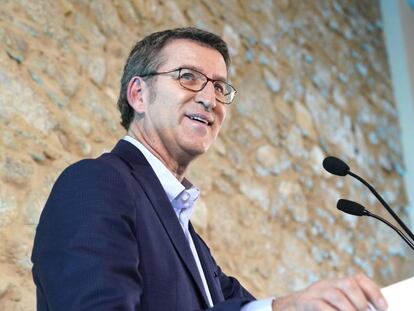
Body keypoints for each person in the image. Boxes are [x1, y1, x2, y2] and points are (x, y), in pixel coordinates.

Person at [31, 27, 388, 311]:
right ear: (138, 94)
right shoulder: (96, 182)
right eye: (188, 77)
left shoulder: (194, 246)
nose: (209, 99)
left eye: (219, 87)